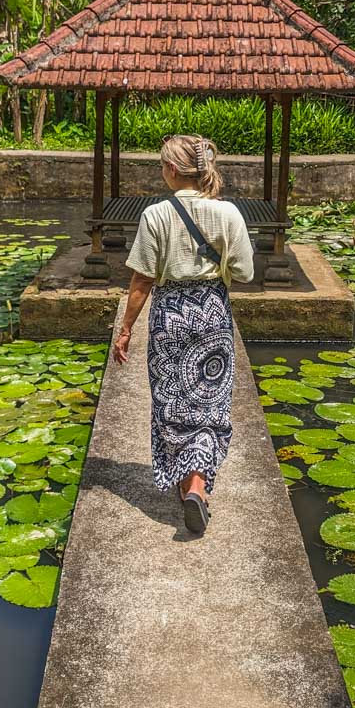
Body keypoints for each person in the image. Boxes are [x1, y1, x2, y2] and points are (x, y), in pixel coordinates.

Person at [113, 134, 255, 535]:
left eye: (162, 166)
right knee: (210, 401)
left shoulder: (155, 215)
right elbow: (244, 272)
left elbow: (142, 279)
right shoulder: (228, 213)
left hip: (170, 315)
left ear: (172, 170)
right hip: (212, 313)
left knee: (171, 400)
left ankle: (185, 479)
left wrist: (125, 330)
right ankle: (197, 486)